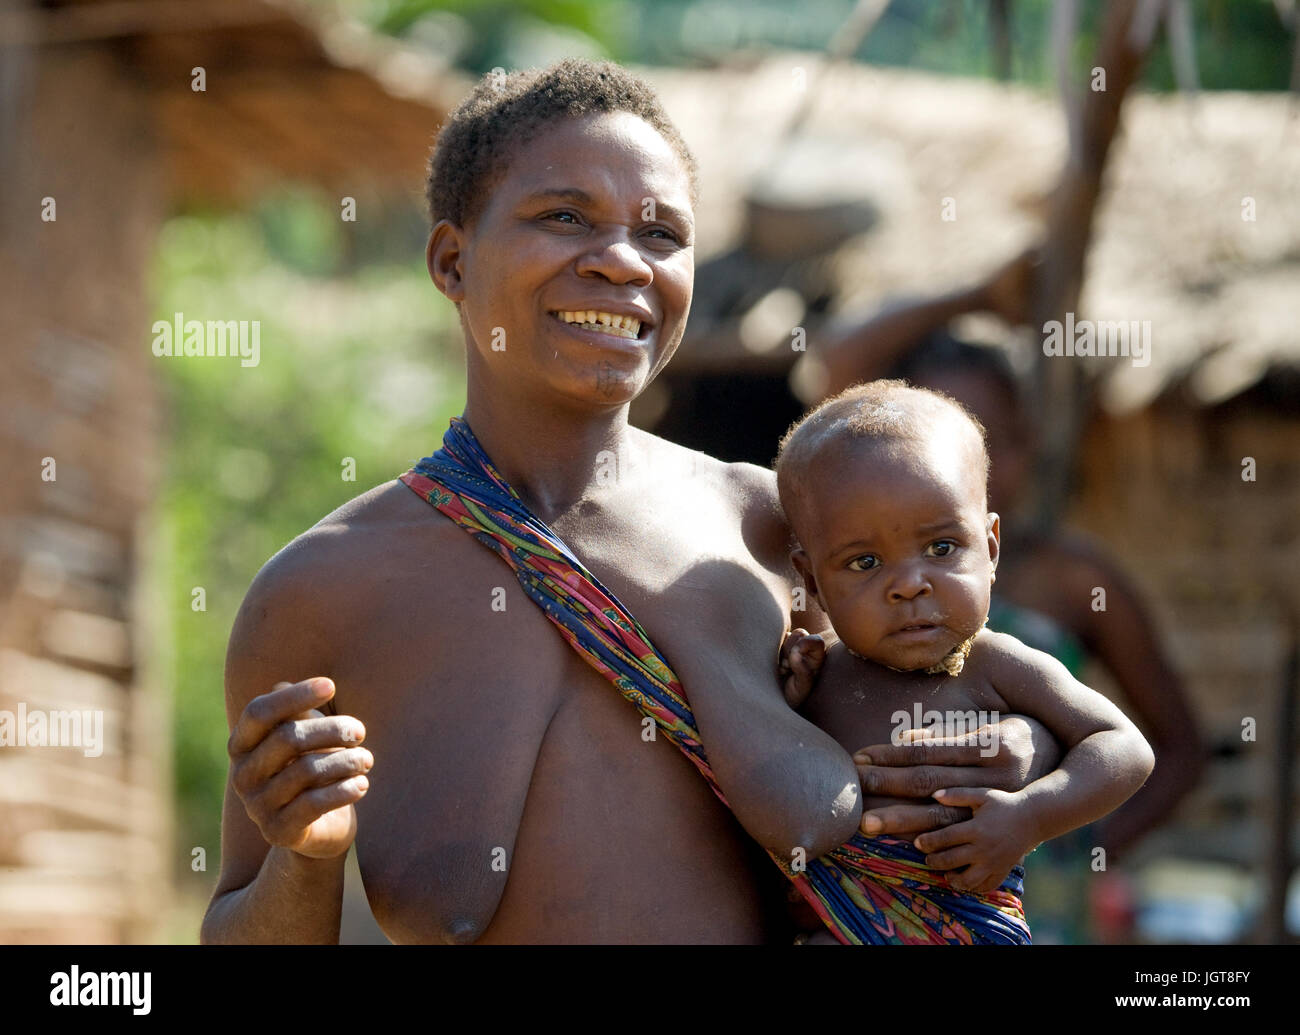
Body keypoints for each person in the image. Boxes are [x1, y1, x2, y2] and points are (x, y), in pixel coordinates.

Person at [201, 59, 1062, 945]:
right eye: (565, 216)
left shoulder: (777, 533)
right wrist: (303, 857)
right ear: (453, 260)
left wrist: (1014, 752)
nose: (620, 261)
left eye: (660, 234)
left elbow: (973, 708)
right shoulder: (321, 591)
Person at [772, 379, 1155, 942]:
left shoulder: (995, 664)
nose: (908, 585)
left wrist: (1030, 816)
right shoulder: (820, 672)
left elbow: (1124, 747)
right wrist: (790, 698)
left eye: (942, 549)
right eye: (865, 562)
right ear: (812, 580)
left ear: (991, 548)